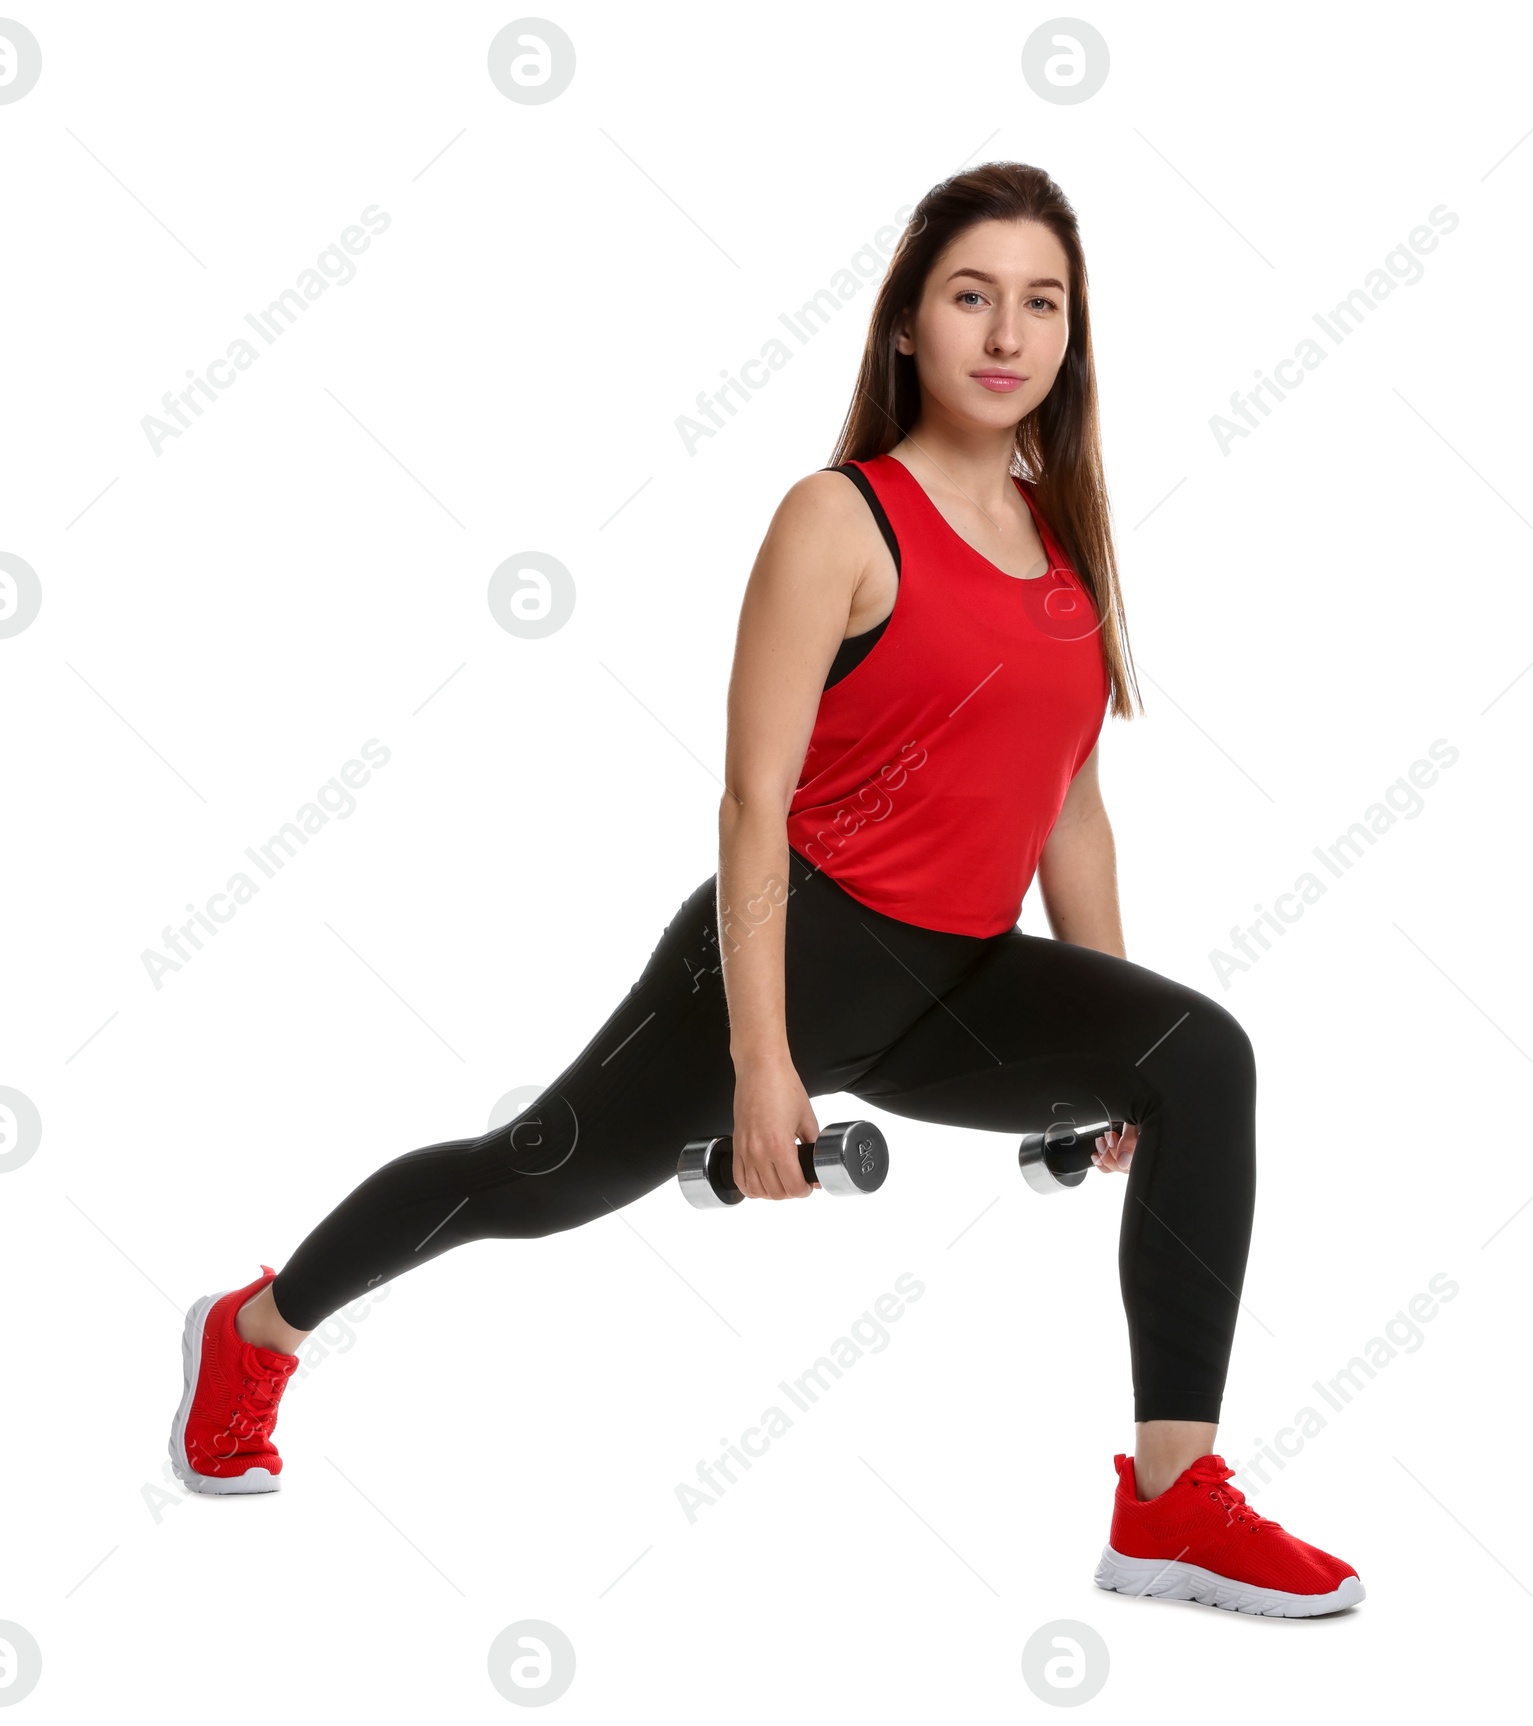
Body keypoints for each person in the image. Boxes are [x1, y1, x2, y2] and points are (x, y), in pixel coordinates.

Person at [168, 161, 1363, 1618]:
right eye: (972, 295)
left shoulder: (1068, 542)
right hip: (789, 956)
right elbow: (750, 802)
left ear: (1073, 332)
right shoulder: (839, 518)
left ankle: (1172, 1503)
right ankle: (259, 1327)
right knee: (530, 1183)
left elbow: (1073, 802)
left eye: (1041, 301)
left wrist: (1119, 1047)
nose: (1008, 331)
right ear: (909, 327)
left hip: (962, 984)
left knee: (1201, 1055)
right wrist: (759, 1059)